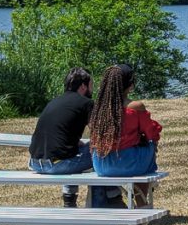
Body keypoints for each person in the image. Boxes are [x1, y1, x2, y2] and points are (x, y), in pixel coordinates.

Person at [28, 67, 105, 208]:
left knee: (74, 151)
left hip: (35, 162)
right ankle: (103, 200)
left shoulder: (54, 101)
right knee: (101, 151)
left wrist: (75, 142)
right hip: (57, 165)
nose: (92, 89)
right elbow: (99, 134)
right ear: (83, 86)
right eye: (91, 85)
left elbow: (58, 130)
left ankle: (69, 200)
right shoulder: (86, 103)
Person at [89, 64, 162, 208]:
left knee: (143, 147)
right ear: (130, 85)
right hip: (126, 163)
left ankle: (125, 198)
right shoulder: (135, 107)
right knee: (149, 146)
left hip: (101, 163)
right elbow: (152, 132)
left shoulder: (98, 109)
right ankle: (141, 200)